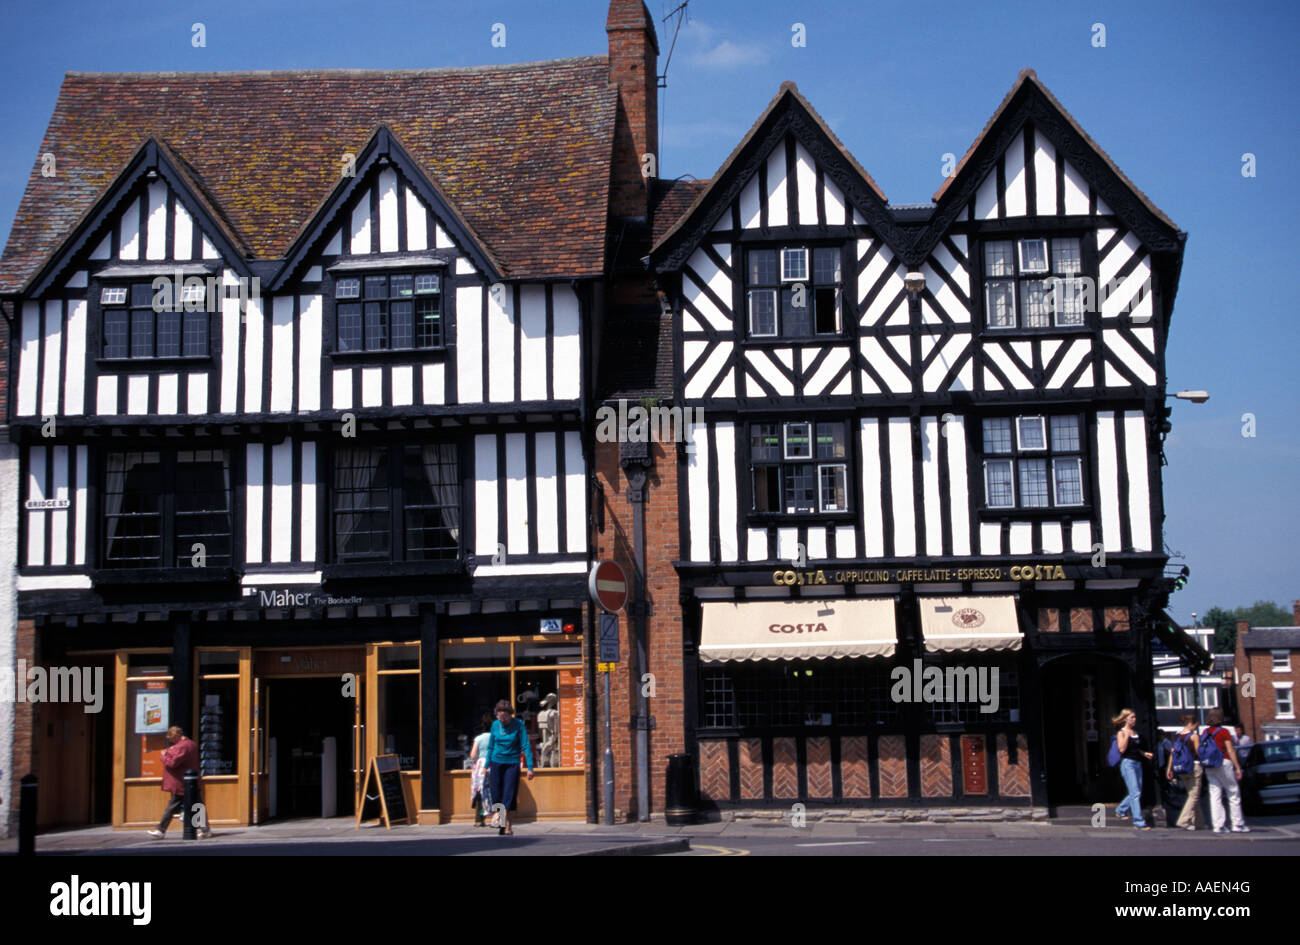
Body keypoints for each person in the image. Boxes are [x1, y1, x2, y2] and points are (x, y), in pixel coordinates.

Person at [148, 726, 211, 839]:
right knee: (197, 805)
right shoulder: (190, 744)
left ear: (176, 736)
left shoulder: (183, 746)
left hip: (181, 783)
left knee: (173, 806)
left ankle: (160, 830)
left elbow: (173, 763)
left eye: (171, 739)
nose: (171, 741)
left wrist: (163, 756)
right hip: (190, 782)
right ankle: (205, 829)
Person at [487, 699, 534, 835]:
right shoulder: (495, 725)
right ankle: (505, 824)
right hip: (496, 762)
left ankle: (500, 820)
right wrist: (485, 765)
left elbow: (526, 745)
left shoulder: (518, 725)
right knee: (496, 794)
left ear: (510, 715)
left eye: (505, 717)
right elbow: (490, 746)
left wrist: (530, 767)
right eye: (499, 717)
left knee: (509, 794)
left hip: (512, 763)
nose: (502, 720)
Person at [1203, 709, 1249, 833]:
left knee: (1215, 795)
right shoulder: (1224, 732)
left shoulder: (1205, 732)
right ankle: (1237, 824)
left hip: (1209, 765)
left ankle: (1218, 825)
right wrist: (1237, 767)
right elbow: (1230, 750)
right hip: (1223, 762)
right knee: (1233, 792)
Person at [1112, 708, 1154, 831]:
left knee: (1137, 791)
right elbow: (1122, 749)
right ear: (1125, 719)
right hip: (1128, 764)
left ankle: (1121, 809)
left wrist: (1144, 753)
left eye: (1135, 717)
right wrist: (1127, 736)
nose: (1134, 719)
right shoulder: (1121, 733)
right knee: (1135, 792)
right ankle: (1138, 821)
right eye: (1132, 717)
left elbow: (1135, 749)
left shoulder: (1136, 732)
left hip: (1137, 763)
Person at [1164, 713, 1203, 831]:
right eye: (1196, 724)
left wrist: (1169, 768)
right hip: (1194, 767)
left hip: (1182, 769)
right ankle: (1183, 820)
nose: (1197, 727)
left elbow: (1172, 753)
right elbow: (1199, 752)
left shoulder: (1178, 736)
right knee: (1194, 796)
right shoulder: (1194, 736)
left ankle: (1199, 823)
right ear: (1193, 723)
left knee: (1192, 795)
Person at [468, 716, 493, 827]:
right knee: (497, 792)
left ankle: (480, 819)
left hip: (481, 766)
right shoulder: (495, 737)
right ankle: (500, 819)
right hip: (493, 764)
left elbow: (473, 755)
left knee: (480, 793)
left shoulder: (478, 738)